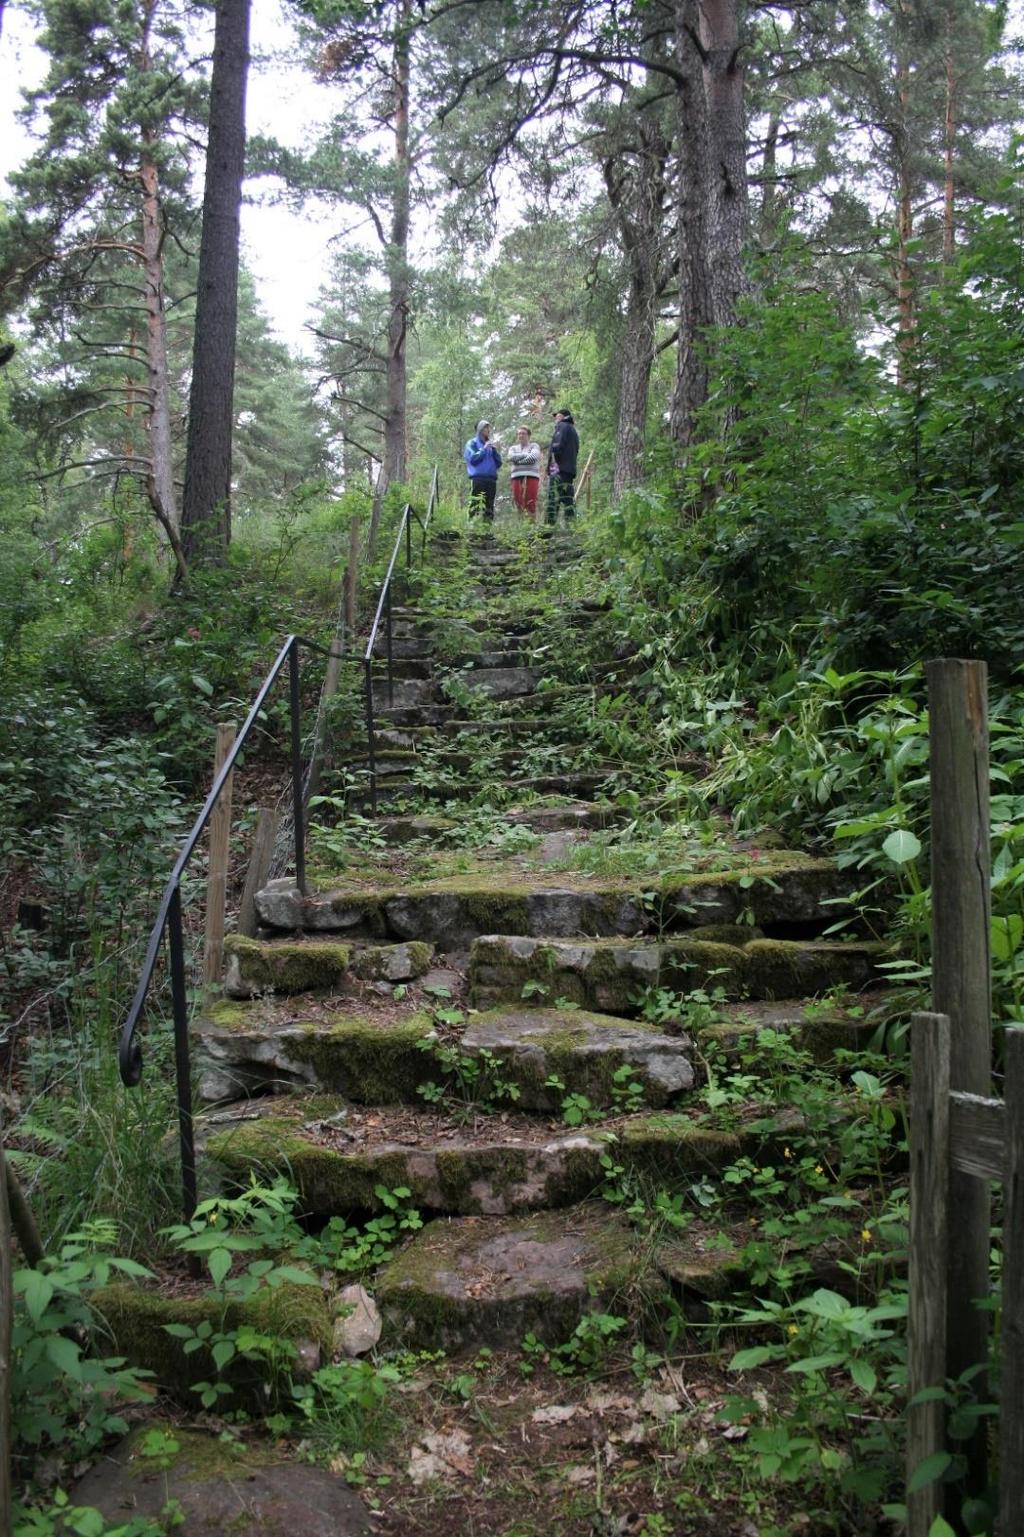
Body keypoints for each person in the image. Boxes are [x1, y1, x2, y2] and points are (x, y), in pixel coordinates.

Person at [463, 419, 502, 523]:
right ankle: (472, 528)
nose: (488, 430)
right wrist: (484, 449)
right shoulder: (472, 443)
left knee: (489, 505)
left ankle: (487, 529)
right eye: (485, 427)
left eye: (488, 428)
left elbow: (499, 463)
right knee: (475, 504)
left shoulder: (490, 445)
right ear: (480, 429)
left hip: (491, 479)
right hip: (478, 478)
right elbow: (473, 459)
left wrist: (494, 451)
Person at [546, 407, 579, 526]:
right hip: (569, 471)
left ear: (563, 416)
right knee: (568, 499)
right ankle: (571, 527)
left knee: (553, 499)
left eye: (557, 415)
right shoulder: (573, 431)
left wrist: (553, 467)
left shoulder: (562, 426)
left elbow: (557, 447)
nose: (555, 418)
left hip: (559, 470)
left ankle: (548, 529)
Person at [507, 424, 541, 521]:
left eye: (523, 433)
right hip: (516, 476)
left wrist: (518, 460)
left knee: (530, 500)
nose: (521, 436)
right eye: (519, 434)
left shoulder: (534, 446)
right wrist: (525, 456)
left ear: (528, 435)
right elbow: (510, 457)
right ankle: (521, 525)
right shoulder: (513, 448)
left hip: (532, 475)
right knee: (518, 500)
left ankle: (531, 525)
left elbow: (533, 458)